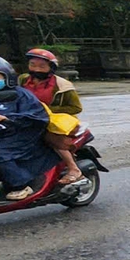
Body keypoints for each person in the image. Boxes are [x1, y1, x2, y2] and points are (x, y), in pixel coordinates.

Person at [0, 54, 55, 201]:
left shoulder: (21, 95)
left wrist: (8, 119)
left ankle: (22, 184)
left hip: (21, 133)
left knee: (1, 153)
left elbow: (36, 117)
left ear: (7, 77)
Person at [18, 48, 84, 185]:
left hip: (53, 122)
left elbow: (76, 107)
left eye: (42, 66)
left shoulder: (62, 85)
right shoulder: (22, 80)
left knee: (49, 138)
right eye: (33, 65)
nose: (36, 69)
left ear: (51, 68)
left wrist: (46, 109)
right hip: (26, 119)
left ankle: (73, 168)